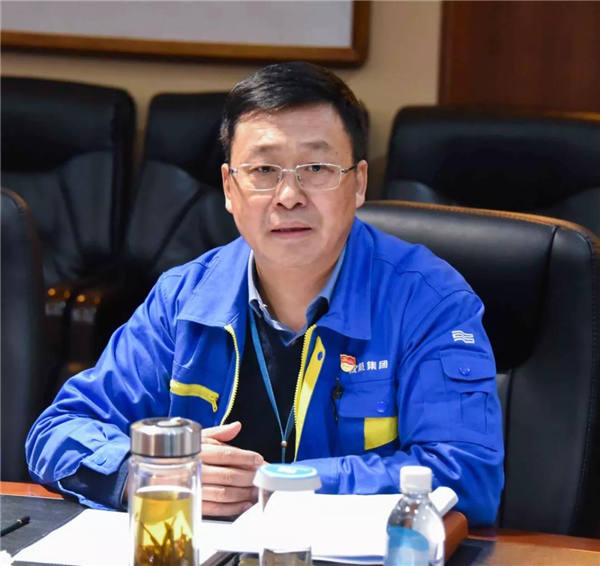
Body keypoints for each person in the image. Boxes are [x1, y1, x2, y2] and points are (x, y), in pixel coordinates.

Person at [26, 62, 504, 525]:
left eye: (316, 167)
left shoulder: (428, 301)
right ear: (229, 188)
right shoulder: (184, 298)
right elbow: (57, 432)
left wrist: (283, 484)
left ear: (358, 183)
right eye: (263, 170)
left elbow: (468, 474)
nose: (289, 195)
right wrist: (148, 473)